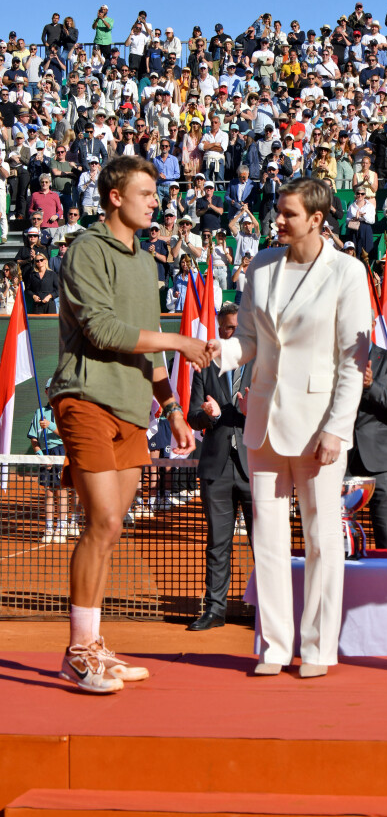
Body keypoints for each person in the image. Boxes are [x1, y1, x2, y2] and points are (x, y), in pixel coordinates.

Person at [49, 156, 210, 694]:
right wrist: (180, 341)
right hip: (86, 399)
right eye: (145, 192)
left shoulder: (146, 262)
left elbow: (148, 347)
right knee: (100, 521)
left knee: (114, 524)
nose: (154, 201)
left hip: (132, 410)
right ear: (115, 197)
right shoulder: (87, 250)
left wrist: (173, 410)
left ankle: (93, 644)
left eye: (154, 193)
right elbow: (102, 330)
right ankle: (77, 651)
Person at [206, 178, 371, 678]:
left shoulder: (347, 271)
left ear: (317, 219)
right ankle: (274, 647)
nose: (278, 220)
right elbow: (250, 340)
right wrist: (221, 351)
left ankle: (319, 649)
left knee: (323, 539)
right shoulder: (261, 266)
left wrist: (337, 427)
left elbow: (352, 358)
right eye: (278, 211)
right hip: (263, 422)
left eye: (289, 214)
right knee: (269, 539)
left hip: (320, 425)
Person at [187, 303, 254, 631]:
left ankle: (269, 611)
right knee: (218, 543)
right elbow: (192, 416)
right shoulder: (205, 366)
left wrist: (253, 410)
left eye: (236, 328)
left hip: (255, 469)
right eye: (226, 329)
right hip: (216, 469)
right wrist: (209, 416)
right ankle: (214, 609)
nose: (231, 334)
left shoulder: (264, 363)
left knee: (264, 543)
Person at [346, 338, 387, 548]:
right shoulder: (334, 358)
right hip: (343, 459)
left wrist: (371, 385)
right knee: (341, 538)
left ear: (370, 324)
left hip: (382, 464)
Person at [28, 378, 76, 544]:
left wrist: (49, 426)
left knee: (62, 490)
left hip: (62, 452)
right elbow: (33, 437)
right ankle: (49, 527)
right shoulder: (39, 412)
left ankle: (61, 527)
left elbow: (68, 435)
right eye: (50, 389)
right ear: (47, 392)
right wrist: (41, 455)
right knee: (49, 492)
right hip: (45, 454)